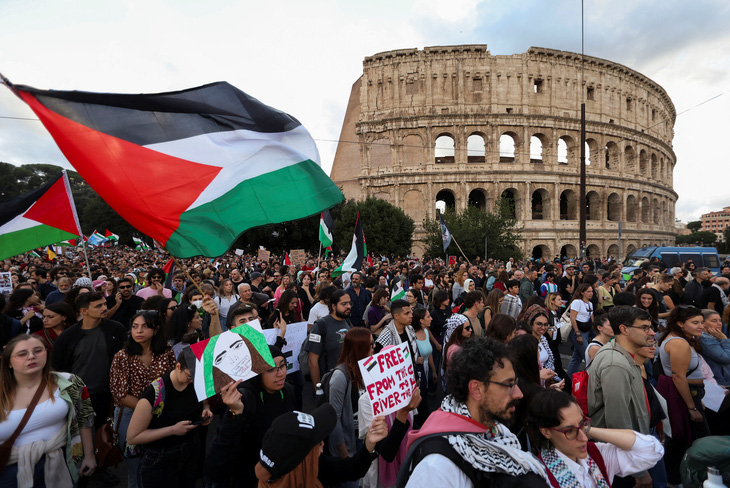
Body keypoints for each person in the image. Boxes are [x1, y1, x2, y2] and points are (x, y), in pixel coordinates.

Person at [404, 337, 549, 487]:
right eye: (508, 384)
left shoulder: (497, 430)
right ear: (476, 389)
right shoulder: (436, 469)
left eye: (515, 383)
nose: (519, 394)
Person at [0, 335, 96, 487]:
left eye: (38, 351)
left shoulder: (69, 382)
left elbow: (85, 417)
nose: (31, 357)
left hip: (62, 460)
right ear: (9, 362)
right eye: (22, 354)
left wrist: (89, 455)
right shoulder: (2, 392)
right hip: (9, 469)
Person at [527, 389, 664, 487]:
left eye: (582, 424)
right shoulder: (541, 478)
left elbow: (653, 451)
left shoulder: (595, 454)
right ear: (546, 432)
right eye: (570, 431)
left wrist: (590, 430)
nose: (584, 438)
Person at [204, 345, 295, 486]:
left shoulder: (288, 391)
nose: (280, 373)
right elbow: (217, 462)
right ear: (258, 372)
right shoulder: (243, 399)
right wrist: (234, 413)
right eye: (270, 369)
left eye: (282, 366)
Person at [587, 306, 655, 488]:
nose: (651, 333)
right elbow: (618, 420)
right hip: (622, 460)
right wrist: (638, 471)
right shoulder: (615, 364)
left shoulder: (620, 355)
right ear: (624, 329)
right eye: (645, 328)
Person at [109, 311, 176, 488]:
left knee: (159, 461)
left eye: (145, 326)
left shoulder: (166, 351)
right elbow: (120, 394)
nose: (138, 331)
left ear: (156, 329)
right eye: (135, 326)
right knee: (135, 466)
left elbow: (172, 380)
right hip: (130, 415)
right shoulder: (122, 356)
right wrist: (148, 410)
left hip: (162, 413)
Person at [126, 352, 213, 488]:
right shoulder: (155, 393)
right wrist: (173, 430)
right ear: (178, 367)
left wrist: (206, 409)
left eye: (197, 378)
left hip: (189, 453)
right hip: (159, 459)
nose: (193, 381)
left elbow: (203, 401)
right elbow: (132, 437)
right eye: (190, 377)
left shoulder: (195, 382)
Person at [254, 403, 388, 487]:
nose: (322, 444)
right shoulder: (310, 465)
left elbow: (352, 469)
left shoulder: (316, 464)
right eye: (317, 442)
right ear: (301, 463)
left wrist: (369, 443)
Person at [51, 291, 126, 432]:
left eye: (104, 304)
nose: (104, 308)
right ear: (84, 311)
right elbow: (58, 368)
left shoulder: (116, 329)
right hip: (79, 396)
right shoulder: (67, 337)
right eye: (98, 306)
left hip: (109, 396)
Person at [656, 306, 711, 485]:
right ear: (680, 323)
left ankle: (677, 478)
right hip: (686, 397)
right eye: (695, 323)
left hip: (690, 395)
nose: (700, 326)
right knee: (692, 440)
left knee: (682, 439)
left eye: (701, 322)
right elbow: (678, 377)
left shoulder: (678, 339)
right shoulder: (678, 342)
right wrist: (692, 407)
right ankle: (683, 479)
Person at [327, 328, 372, 488]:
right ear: (360, 348)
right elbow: (334, 419)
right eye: (370, 345)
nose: (373, 348)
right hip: (348, 441)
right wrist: (344, 453)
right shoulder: (340, 377)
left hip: (361, 435)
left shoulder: (364, 368)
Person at [305, 290, 352, 388]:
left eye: (349, 303)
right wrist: (318, 389)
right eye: (344, 304)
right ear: (334, 306)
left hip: (347, 381)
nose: (349, 306)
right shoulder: (320, 326)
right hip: (328, 383)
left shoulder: (347, 321)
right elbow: (312, 361)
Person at [525, 304, 563, 386]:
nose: (543, 327)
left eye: (545, 324)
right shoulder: (525, 342)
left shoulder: (544, 339)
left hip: (542, 384)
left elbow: (549, 362)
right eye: (539, 324)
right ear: (530, 324)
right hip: (530, 385)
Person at [566, 283, 594, 379]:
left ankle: (569, 380)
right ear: (582, 292)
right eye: (588, 291)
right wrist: (577, 333)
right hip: (577, 331)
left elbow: (591, 319)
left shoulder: (590, 304)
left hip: (586, 331)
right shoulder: (577, 302)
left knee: (576, 358)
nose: (591, 293)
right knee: (588, 357)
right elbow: (573, 318)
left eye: (592, 291)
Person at [699, 308, 730, 387]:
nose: (719, 323)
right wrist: (725, 340)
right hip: (721, 381)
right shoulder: (705, 339)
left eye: (720, 320)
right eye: (714, 321)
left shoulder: (714, 336)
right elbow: (726, 358)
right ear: (703, 323)